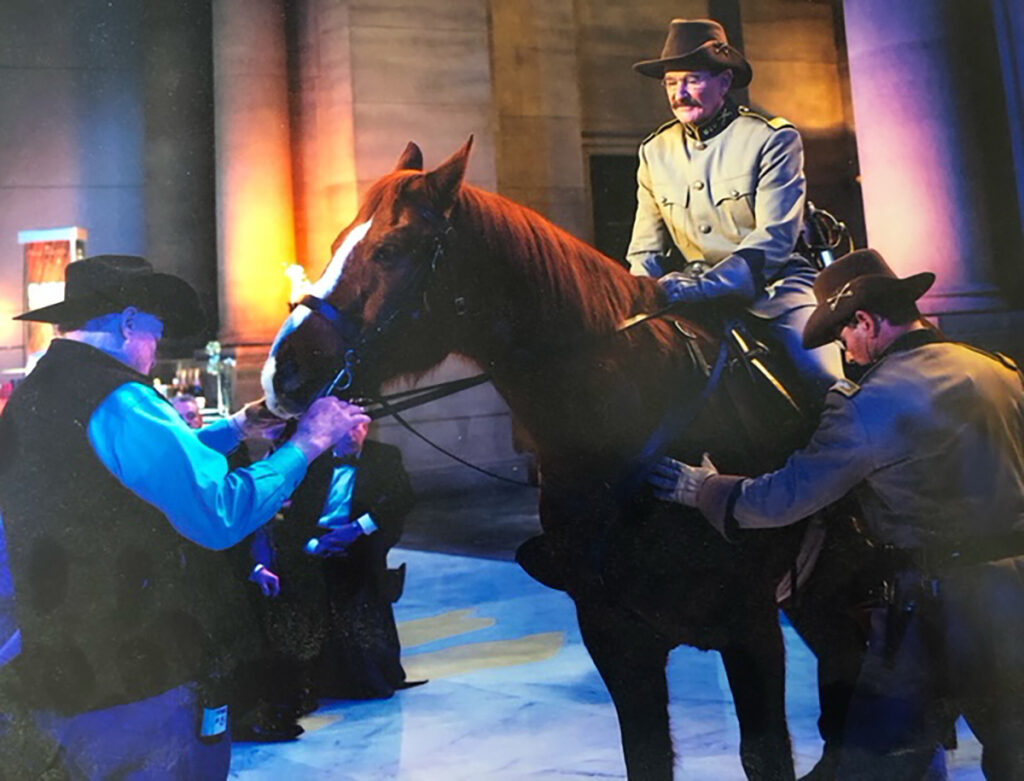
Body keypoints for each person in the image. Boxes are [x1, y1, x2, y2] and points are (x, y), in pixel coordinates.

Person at [650, 248, 1024, 779]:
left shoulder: (868, 403)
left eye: (842, 335)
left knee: (876, 762)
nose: (844, 351)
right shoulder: (996, 370)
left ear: (865, 321)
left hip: (936, 610)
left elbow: (782, 498)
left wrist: (704, 489)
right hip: (1015, 596)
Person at [0, 255, 370, 779]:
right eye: (156, 329)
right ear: (130, 322)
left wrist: (238, 427)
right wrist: (308, 443)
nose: (156, 346)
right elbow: (217, 513)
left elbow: (125, 474)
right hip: (139, 680)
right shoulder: (123, 398)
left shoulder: (37, 392)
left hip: (64, 669)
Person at [628, 18, 843, 398]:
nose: (680, 94)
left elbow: (774, 240)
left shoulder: (771, 139)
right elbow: (645, 247)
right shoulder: (654, 152)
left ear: (724, 82)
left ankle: (850, 448)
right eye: (671, 83)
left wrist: (699, 288)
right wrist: (641, 294)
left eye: (692, 80)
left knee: (821, 377)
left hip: (773, 290)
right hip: (687, 291)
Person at [233, 419, 418, 741]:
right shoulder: (315, 460)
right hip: (314, 540)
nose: (352, 435)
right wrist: (312, 544)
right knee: (293, 589)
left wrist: (356, 529)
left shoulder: (385, 455)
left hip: (360, 538)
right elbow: (295, 514)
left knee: (356, 584)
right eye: (346, 428)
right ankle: (303, 682)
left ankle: (366, 674)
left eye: (359, 428)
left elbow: (400, 498)